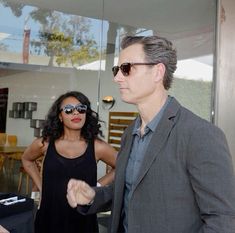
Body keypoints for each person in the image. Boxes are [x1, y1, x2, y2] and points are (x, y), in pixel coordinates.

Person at [66, 36, 235, 233]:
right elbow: (129, 190)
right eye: (116, 70)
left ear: (157, 72)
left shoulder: (200, 135)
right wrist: (92, 196)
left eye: (126, 68)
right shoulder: (130, 133)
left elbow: (223, 219)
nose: (117, 78)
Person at [22, 91, 117, 233]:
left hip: (83, 220)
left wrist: (97, 186)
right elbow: (27, 159)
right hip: (49, 217)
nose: (76, 113)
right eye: (68, 110)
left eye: (81, 109)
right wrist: (42, 186)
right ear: (60, 116)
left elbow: (123, 166)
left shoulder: (97, 146)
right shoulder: (45, 144)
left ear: (86, 113)